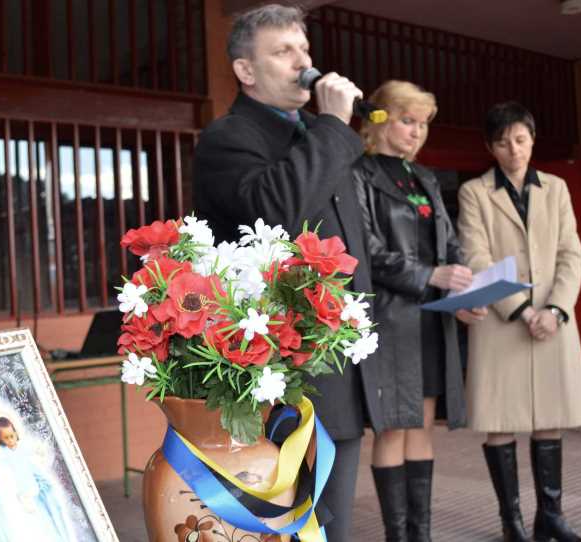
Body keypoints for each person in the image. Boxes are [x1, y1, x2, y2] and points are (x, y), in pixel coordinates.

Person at [192, 4, 381, 539]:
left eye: (304, 50)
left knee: (332, 524)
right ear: (246, 71)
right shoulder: (230, 137)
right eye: (282, 52)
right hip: (276, 375)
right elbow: (274, 210)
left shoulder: (314, 136)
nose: (302, 63)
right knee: (281, 525)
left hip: (333, 363)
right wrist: (332, 127)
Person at [352, 80, 486, 541]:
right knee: (392, 428)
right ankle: (397, 535)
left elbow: (450, 245)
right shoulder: (358, 174)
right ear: (379, 119)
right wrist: (429, 275)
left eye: (424, 124)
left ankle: (420, 535)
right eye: (408, 121)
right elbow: (365, 251)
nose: (417, 133)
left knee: (423, 427)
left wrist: (464, 294)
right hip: (389, 320)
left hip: (431, 319)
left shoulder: (425, 179)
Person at [457, 101, 581, 542]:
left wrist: (554, 309)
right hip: (502, 321)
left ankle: (549, 516)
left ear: (532, 140)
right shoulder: (475, 192)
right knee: (500, 422)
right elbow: (476, 257)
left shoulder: (555, 188)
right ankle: (511, 521)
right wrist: (523, 308)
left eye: (520, 139)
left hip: (553, 319)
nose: (514, 149)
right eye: (503, 142)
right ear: (489, 147)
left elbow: (572, 253)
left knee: (549, 417)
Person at [0, 399, 74, 542]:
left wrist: (33, 494)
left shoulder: (15, 451)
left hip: (37, 522)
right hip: (13, 531)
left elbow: (43, 485)